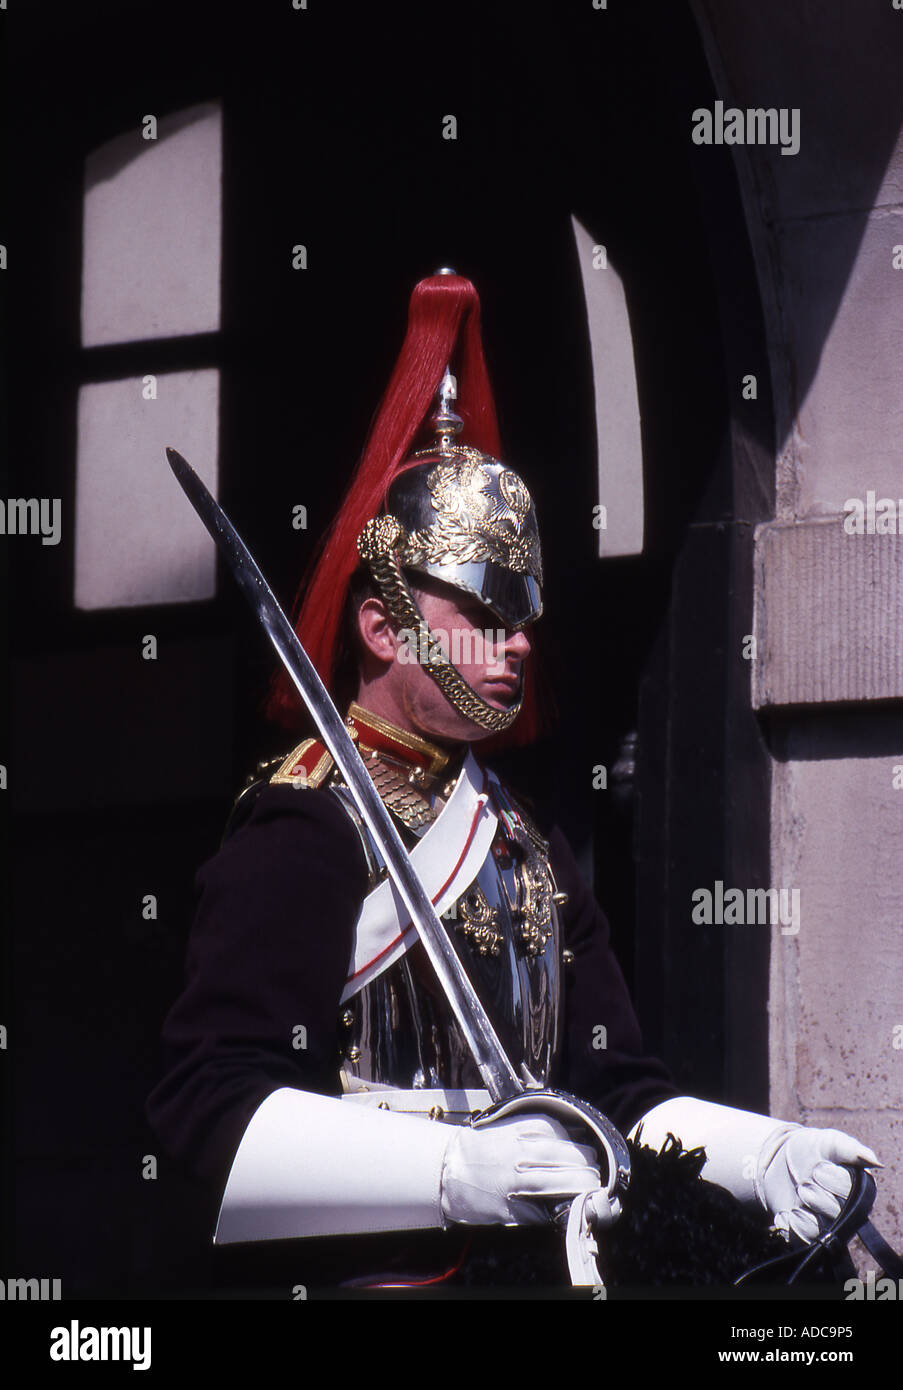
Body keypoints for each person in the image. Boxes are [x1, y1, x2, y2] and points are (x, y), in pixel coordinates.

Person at [147, 271, 878, 1290]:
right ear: (382, 625)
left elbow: (614, 1089)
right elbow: (210, 1106)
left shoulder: (521, 842)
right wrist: (451, 1170)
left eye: (523, 613)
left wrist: (763, 1157)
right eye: (485, 614)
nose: (519, 641)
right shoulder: (306, 822)